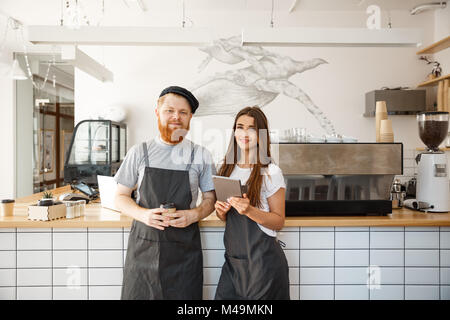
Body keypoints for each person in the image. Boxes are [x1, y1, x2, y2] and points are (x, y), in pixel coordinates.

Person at [114, 86, 216, 300]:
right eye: (170, 110)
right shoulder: (139, 152)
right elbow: (120, 197)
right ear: (157, 113)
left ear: (190, 118)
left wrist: (193, 215)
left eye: (183, 112)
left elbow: (210, 199)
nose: (176, 117)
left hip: (184, 255)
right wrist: (144, 215)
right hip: (143, 250)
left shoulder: (201, 155)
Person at [214, 106, 290, 300]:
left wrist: (249, 210)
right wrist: (221, 211)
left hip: (263, 265)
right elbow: (225, 217)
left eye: (252, 128)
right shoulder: (226, 169)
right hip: (233, 264)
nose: (244, 133)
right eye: (240, 127)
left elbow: (278, 221)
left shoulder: (271, 171)